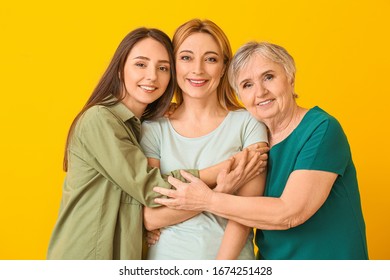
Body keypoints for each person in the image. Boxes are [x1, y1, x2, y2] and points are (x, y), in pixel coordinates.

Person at [47, 27, 263, 260]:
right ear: (120, 69)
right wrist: (225, 177)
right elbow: (151, 190)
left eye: (162, 68)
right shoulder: (101, 120)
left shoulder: (140, 125)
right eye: (140, 64)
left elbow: (145, 212)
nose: (152, 76)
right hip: (87, 255)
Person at [153, 41, 369, 260]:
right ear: (239, 95)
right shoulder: (256, 139)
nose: (261, 92)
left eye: (269, 77)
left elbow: (291, 213)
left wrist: (207, 199)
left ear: (290, 78)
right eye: (247, 85)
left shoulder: (320, 129)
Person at [140, 19, 269, 260]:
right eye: (186, 57)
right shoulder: (153, 129)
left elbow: (247, 212)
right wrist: (222, 191)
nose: (198, 69)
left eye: (210, 59)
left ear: (223, 67)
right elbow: (151, 217)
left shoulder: (249, 123)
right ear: (173, 65)